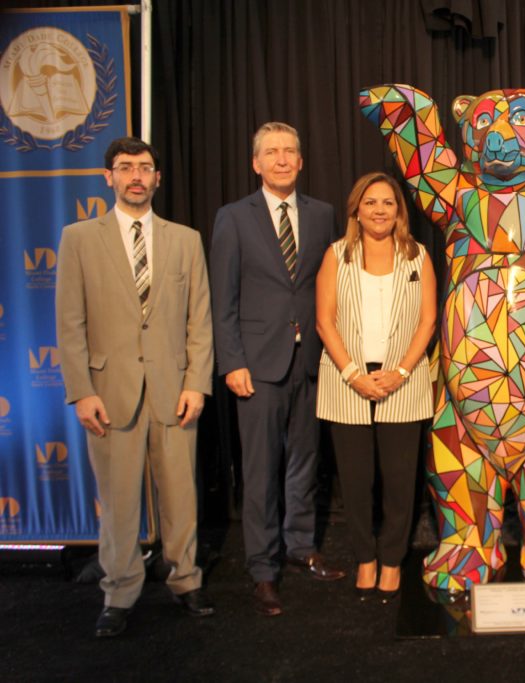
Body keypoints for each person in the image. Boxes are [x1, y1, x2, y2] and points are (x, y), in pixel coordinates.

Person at [56, 137, 215, 637]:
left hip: (174, 391)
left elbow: (200, 321)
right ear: (109, 177)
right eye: (125, 168)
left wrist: (197, 383)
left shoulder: (185, 239)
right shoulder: (79, 238)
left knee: (181, 497)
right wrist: (81, 390)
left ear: (158, 177)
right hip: (109, 392)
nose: (135, 177)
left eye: (144, 168)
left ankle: (185, 581)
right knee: (120, 499)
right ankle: (119, 591)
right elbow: (70, 322)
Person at [210, 122, 342, 617]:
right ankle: (263, 570)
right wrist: (232, 362)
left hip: (311, 361)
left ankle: (301, 546)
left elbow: (328, 286)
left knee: (305, 462)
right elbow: (223, 299)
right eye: (272, 152)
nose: (282, 159)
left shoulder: (323, 214)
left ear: (301, 161)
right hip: (257, 367)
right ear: (256, 163)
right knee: (261, 471)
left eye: (290, 151)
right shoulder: (233, 218)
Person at [315, 172, 436, 602]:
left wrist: (401, 371)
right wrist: (352, 373)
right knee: (356, 480)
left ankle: (390, 561)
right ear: (357, 209)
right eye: (371, 202)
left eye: (388, 202)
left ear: (399, 211)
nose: (380, 210)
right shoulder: (336, 255)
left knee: (401, 484)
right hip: (347, 381)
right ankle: (365, 558)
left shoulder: (418, 256)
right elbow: (324, 321)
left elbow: (427, 321)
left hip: (402, 382)